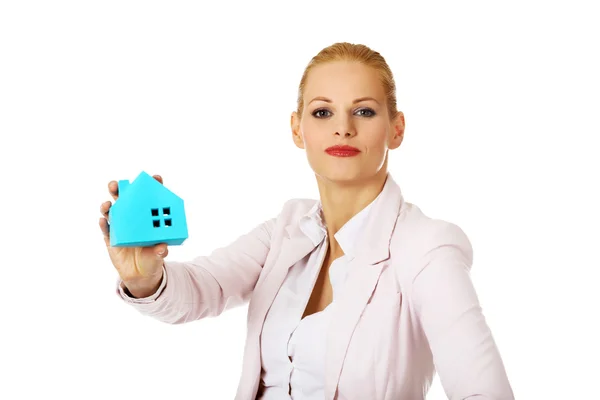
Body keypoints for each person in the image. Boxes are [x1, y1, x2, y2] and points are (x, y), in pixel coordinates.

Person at [99, 42, 514, 400]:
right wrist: (144, 277)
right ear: (297, 130)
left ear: (397, 129)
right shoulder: (287, 227)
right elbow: (203, 290)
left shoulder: (427, 248)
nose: (343, 129)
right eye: (322, 113)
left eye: (364, 112)